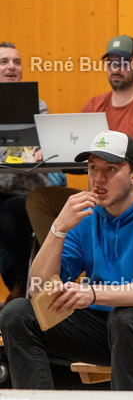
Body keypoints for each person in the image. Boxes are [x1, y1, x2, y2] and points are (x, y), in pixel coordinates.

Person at [0, 130, 133, 390]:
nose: (98, 179)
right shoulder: (86, 216)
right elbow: (37, 289)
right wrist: (58, 228)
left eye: (111, 169)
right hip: (100, 327)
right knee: (17, 314)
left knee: (126, 318)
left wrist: (92, 293)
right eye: (92, 168)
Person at [26, 35, 133, 248]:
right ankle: (60, 269)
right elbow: (75, 152)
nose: (116, 68)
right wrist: (52, 150)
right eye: (111, 62)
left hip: (132, 198)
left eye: (123, 62)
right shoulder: (94, 104)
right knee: (39, 199)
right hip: (97, 201)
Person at [0, 41, 63, 301]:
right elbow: (27, 151)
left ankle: (24, 282)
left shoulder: (39, 107)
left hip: (28, 194)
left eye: (17, 61)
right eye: (4, 62)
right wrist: (21, 153)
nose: (11, 67)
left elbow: (43, 150)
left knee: (11, 210)